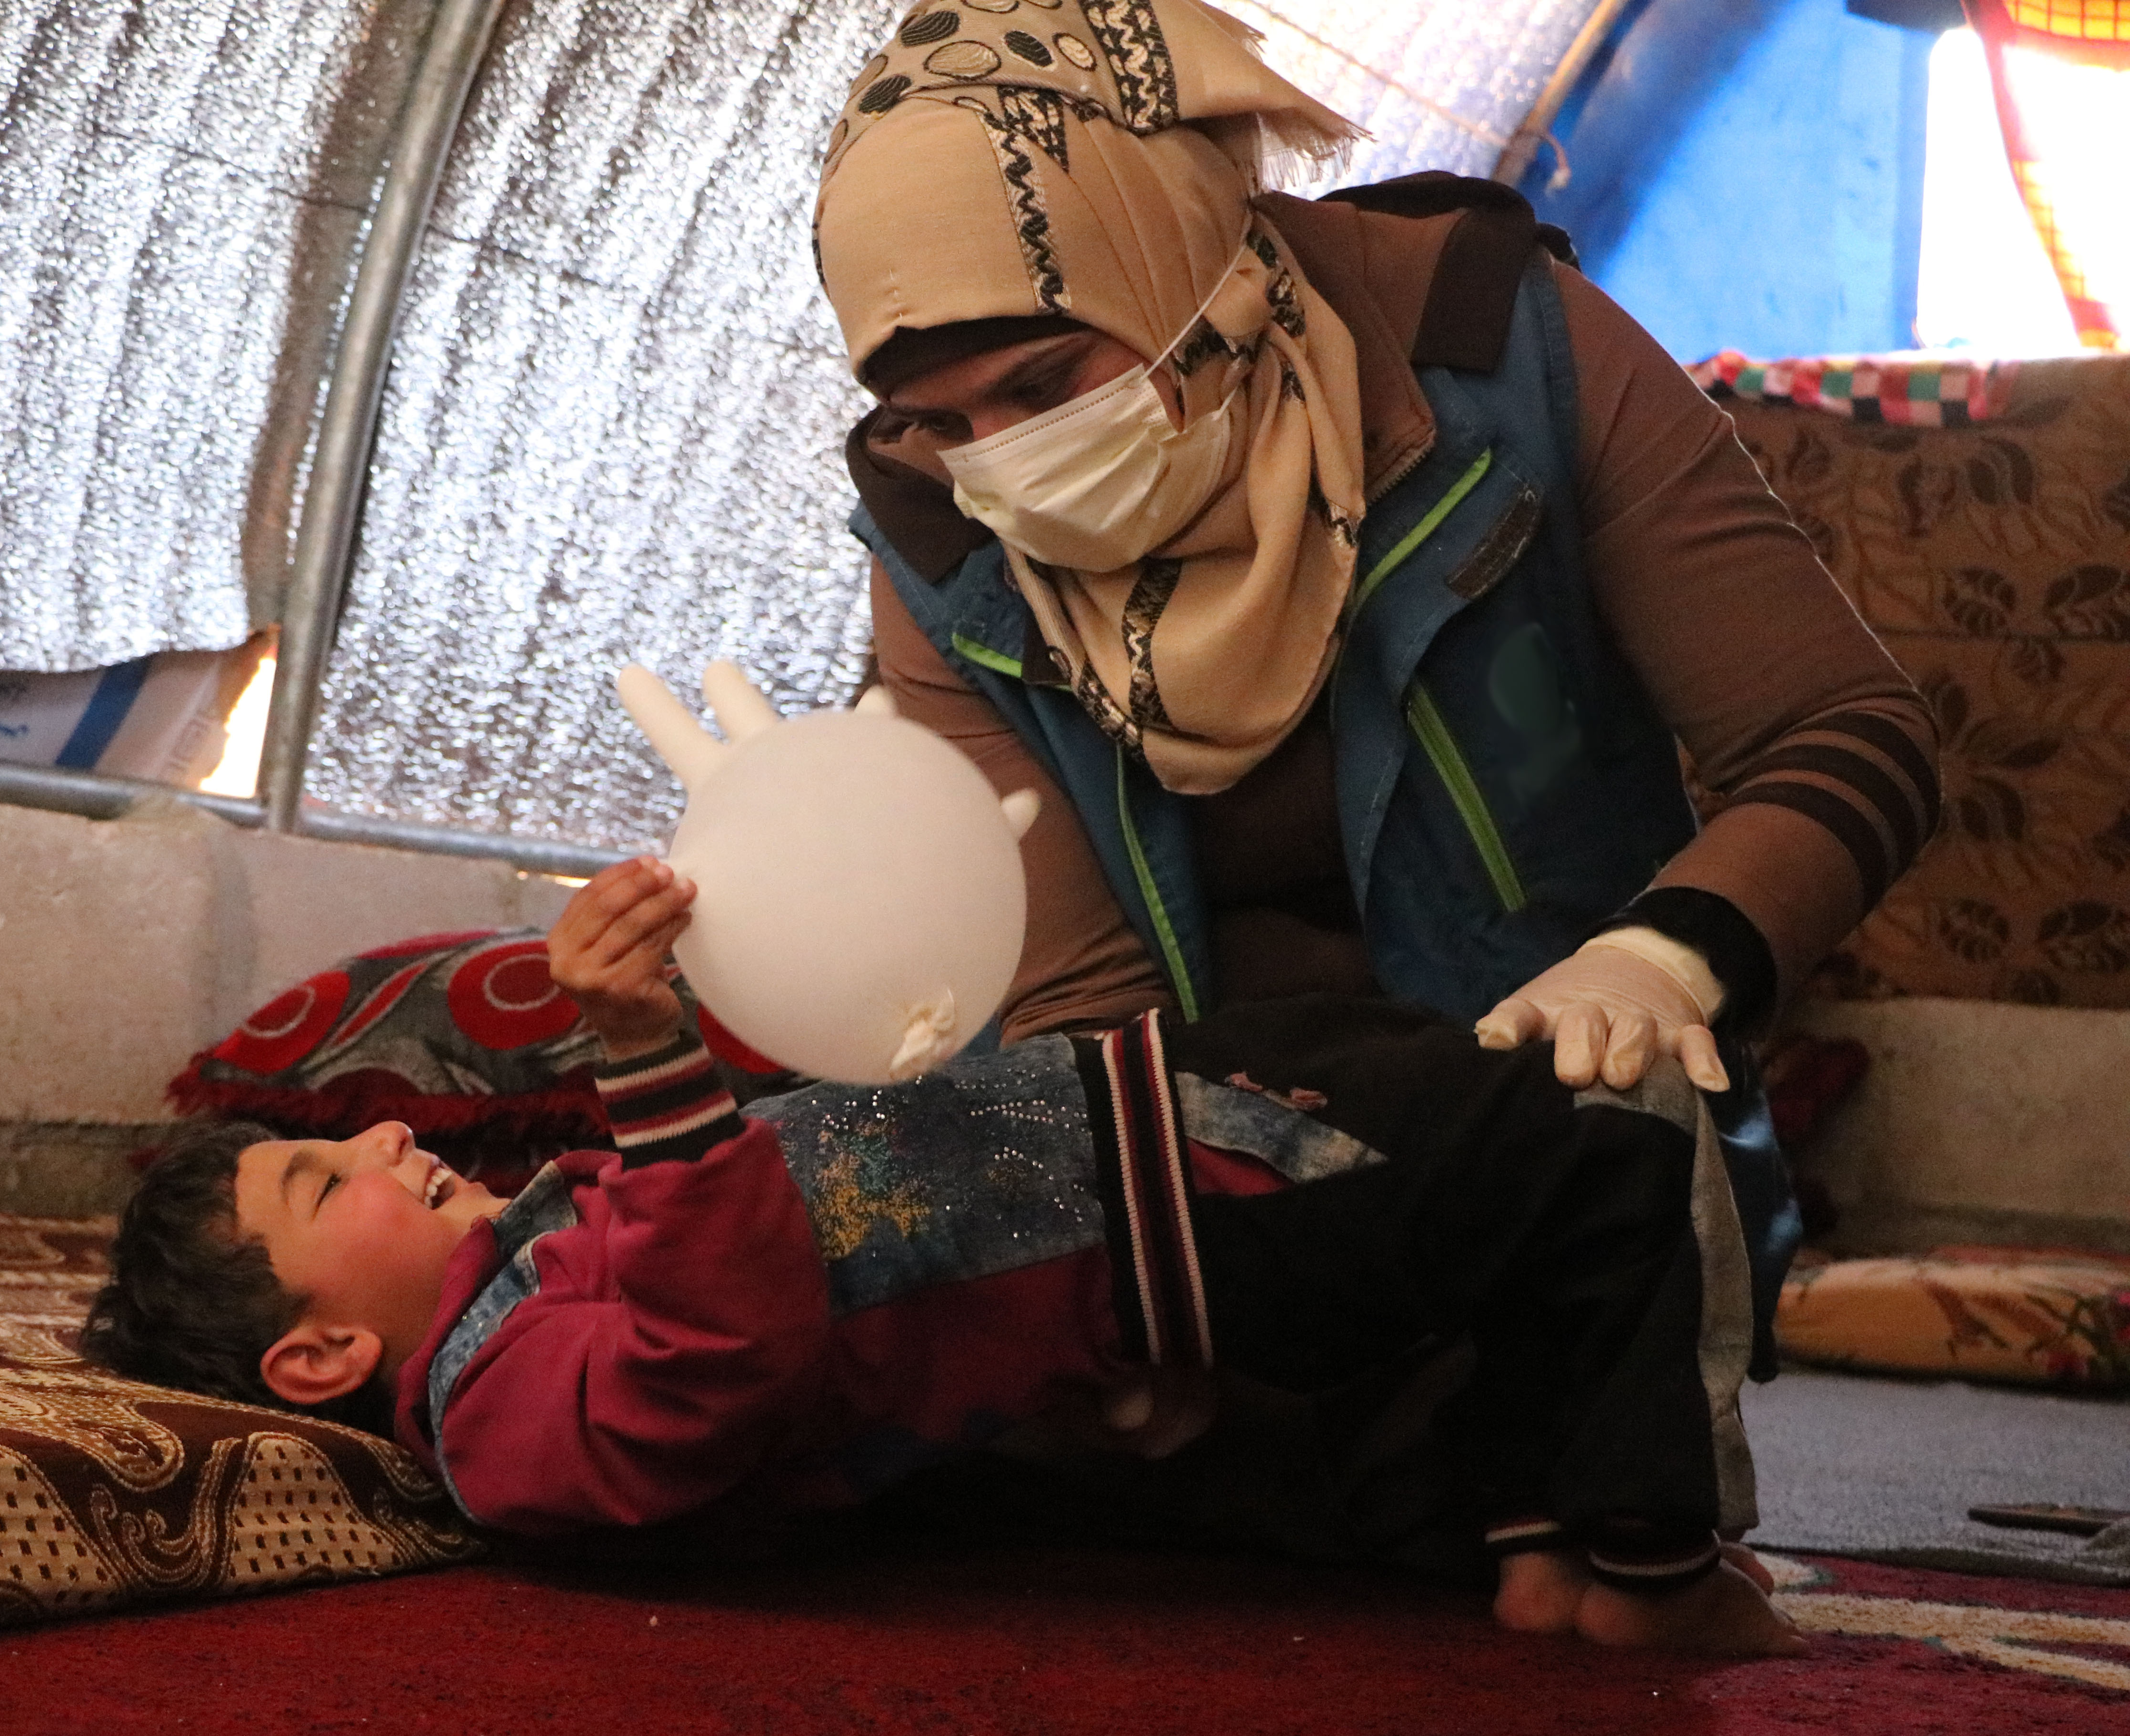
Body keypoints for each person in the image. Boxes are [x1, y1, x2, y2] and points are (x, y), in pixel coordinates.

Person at [810, 0, 1940, 1352]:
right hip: (1207, 1194)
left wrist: (1660, 964)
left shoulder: (1501, 354)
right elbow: (1073, 1010)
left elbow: (1844, 731)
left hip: (1561, 1132)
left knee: (1572, 1488)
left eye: (1047, 384)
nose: (1002, 460)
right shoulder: (941, 547)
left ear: (1173, 263)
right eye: (944, 421)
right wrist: (1133, 1292)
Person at [84, 858, 1802, 1657]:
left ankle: (1524, 1533)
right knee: (1581, 1153)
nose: (390, 1136)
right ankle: (1645, 1570)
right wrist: (648, 1064)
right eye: (327, 1182)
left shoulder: (530, 1266)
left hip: (1127, 1138)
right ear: (314, 1359)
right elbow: (720, 1353)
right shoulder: (505, 1425)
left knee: (1437, 1080)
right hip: (1166, 1226)